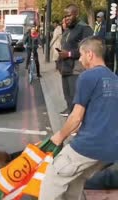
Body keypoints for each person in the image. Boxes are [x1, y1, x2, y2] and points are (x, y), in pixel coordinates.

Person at [39, 36, 118, 200]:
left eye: (81, 55)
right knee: (75, 180)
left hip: (90, 145)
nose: (80, 60)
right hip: (111, 150)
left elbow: (76, 118)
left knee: (52, 178)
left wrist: (59, 137)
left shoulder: (87, 77)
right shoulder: (115, 79)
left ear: (90, 54)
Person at [58, 4, 93, 117]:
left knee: (75, 95)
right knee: (67, 93)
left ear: (76, 14)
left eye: (69, 15)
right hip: (65, 66)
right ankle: (69, 110)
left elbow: (87, 49)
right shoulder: (68, 29)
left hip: (76, 68)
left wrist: (68, 54)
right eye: (65, 16)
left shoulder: (84, 28)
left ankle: (77, 119)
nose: (66, 18)